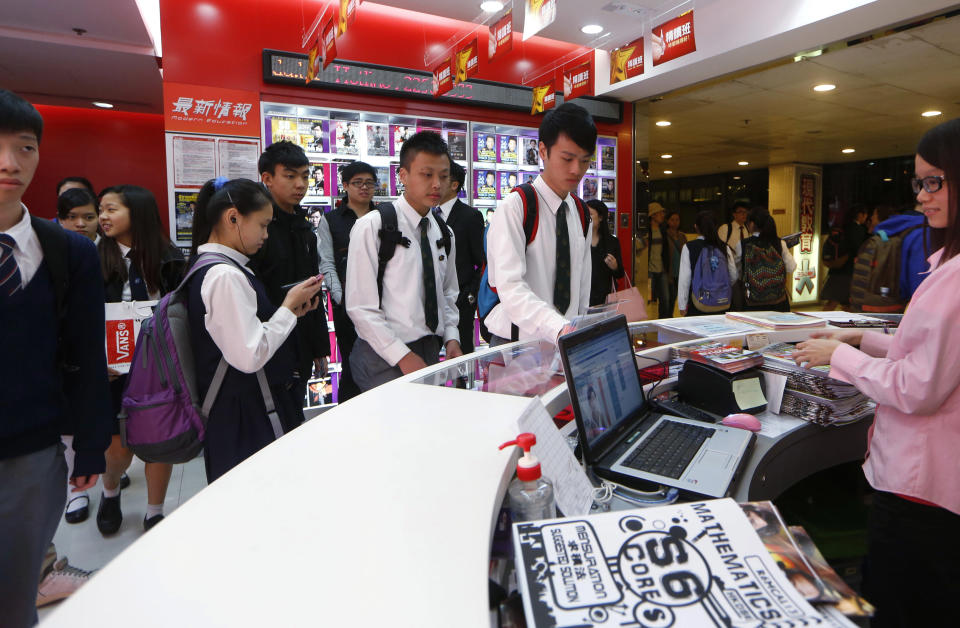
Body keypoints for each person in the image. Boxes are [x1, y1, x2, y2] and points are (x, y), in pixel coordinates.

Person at [793, 118, 960, 627]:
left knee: (899, 604)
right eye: (919, 183)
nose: (922, 198)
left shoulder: (955, 280)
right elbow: (935, 353)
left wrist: (838, 356)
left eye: (935, 182)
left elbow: (917, 387)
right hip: (933, 485)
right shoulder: (948, 265)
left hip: (921, 490)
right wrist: (862, 339)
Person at [0, 89, 112, 628]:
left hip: (32, 452)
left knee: (15, 594)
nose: (10, 163)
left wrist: (90, 445)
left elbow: (86, 354)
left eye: (24, 148)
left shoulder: (69, 252)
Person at [188, 178, 322, 482]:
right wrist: (287, 309)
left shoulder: (216, 267)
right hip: (245, 415)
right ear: (233, 217)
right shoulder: (224, 275)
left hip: (241, 409)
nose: (265, 235)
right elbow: (249, 354)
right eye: (262, 225)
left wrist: (288, 312)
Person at [96, 184, 185, 534]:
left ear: (139, 213)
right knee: (116, 447)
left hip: (158, 367)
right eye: (101, 209)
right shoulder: (91, 257)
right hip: (110, 371)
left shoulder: (169, 257)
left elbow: (182, 311)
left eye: (112, 209)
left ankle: (154, 511)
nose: (103, 216)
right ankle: (110, 491)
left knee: (159, 439)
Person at [345, 131, 462, 390]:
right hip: (382, 355)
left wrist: (452, 337)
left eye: (443, 176)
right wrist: (402, 355)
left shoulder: (444, 232)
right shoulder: (372, 227)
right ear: (403, 175)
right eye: (426, 174)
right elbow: (360, 308)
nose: (436, 184)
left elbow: (448, 293)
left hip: (431, 350)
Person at [485, 102, 596, 344]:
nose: (577, 170)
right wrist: (558, 328)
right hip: (518, 345)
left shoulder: (580, 213)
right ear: (543, 151)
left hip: (565, 340)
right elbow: (511, 288)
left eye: (585, 160)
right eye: (567, 159)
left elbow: (582, 287)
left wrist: (577, 329)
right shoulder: (517, 207)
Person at [250, 140, 331, 411]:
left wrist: (320, 344)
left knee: (294, 412)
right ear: (267, 179)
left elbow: (314, 285)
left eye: (305, 176)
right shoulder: (257, 229)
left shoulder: (304, 226)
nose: (300, 184)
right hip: (267, 340)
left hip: (302, 338)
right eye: (290, 176)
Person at [316, 160, 378, 402]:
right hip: (346, 309)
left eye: (369, 183)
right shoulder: (331, 220)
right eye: (358, 183)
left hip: (381, 305)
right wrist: (343, 300)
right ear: (345, 185)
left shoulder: (384, 216)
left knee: (383, 365)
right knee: (353, 366)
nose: (364, 188)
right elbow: (327, 263)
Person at [437, 160, 485, 354]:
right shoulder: (429, 215)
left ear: (454, 184)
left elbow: (482, 261)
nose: (434, 183)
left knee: (461, 354)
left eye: (441, 177)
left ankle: (460, 384)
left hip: (461, 300)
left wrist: (469, 295)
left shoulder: (470, 216)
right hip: (433, 299)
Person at [677, 210, 737, 316]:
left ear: (696, 227)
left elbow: (684, 280)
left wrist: (682, 305)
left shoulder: (689, 247)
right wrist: (720, 288)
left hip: (698, 303)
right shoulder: (724, 247)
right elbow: (733, 275)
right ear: (716, 227)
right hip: (721, 303)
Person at [739, 207, 796, 311]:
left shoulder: (743, 244)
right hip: (778, 302)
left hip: (753, 303)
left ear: (751, 224)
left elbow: (736, 272)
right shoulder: (779, 243)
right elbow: (791, 267)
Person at [870, 206, 929, 301]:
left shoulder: (891, 230)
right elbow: (919, 284)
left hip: (877, 300)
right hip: (908, 306)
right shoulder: (924, 233)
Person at [821, 203, 869, 310]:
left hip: (838, 270)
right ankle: (820, 322)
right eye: (865, 215)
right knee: (836, 303)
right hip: (847, 272)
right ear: (860, 215)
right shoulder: (858, 229)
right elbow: (858, 250)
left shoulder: (843, 227)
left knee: (843, 303)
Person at [586, 199, 624, 306]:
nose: (586, 218)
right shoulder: (579, 240)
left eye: (590, 215)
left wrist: (615, 266)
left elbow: (620, 273)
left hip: (605, 298)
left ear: (601, 217)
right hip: (583, 296)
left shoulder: (612, 242)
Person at [718, 201, 750, 308]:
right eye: (740, 212)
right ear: (734, 214)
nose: (743, 215)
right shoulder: (725, 229)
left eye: (745, 212)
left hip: (744, 273)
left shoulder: (747, 229)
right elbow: (720, 250)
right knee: (734, 303)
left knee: (743, 302)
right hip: (730, 273)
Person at [645, 202, 672, 317]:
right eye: (660, 213)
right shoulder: (646, 231)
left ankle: (662, 321)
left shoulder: (663, 230)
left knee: (665, 299)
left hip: (661, 270)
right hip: (649, 272)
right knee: (648, 298)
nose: (663, 215)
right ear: (654, 215)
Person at [662, 210, 686, 317]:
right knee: (667, 299)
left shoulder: (682, 236)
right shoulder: (664, 235)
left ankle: (669, 317)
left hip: (679, 272)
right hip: (668, 272)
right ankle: (665, 318)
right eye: (672, 220)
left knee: (673, 298)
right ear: (667, 221)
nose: (675, 222)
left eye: (677, 220)